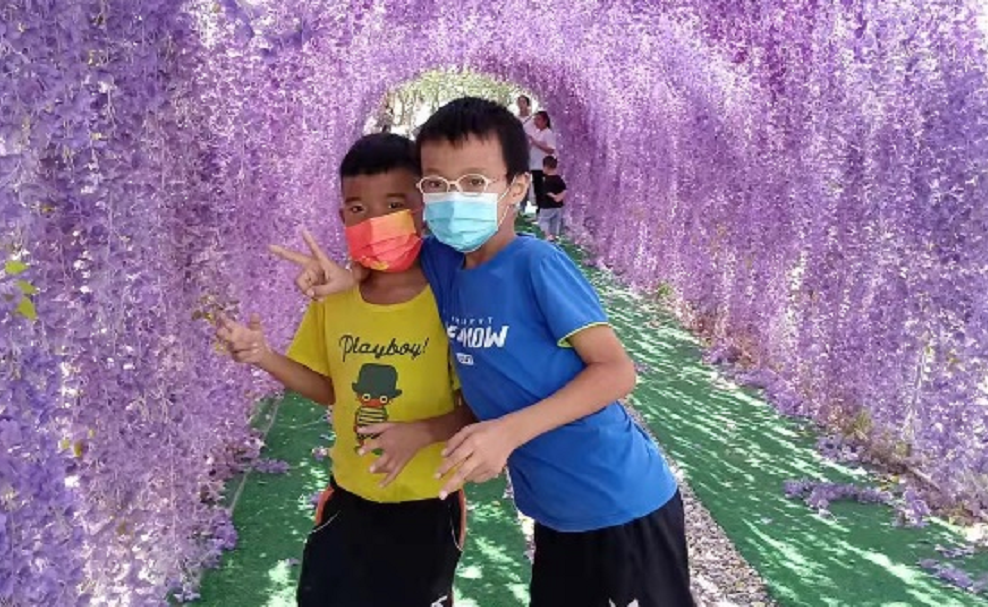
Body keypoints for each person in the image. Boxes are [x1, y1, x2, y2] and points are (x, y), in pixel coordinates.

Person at [290, 99, 695, 607]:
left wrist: (507, 432)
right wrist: (347, 275)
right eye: (437, 184)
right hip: (555, 513)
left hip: (619, 501)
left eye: (475, 182)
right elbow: (389, 259)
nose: (454, 198)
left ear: (517, 187)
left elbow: (616, 372)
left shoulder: (535, 263)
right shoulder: (445, 266)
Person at [220, 133, 473, 607]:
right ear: (342, 218)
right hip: (348, 497)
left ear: (423, 208)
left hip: (428, 502)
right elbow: (329, 389)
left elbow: (480, 407)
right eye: (358, 208)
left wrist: (421, 433)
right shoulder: (334, 297)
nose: (375, 221)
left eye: (394, 205)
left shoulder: (452, 296)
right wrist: (263, 355)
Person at [526, 110, 557, 213]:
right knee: (537, 190)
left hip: (543, 166)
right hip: (535, 165)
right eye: (535, 119)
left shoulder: (548, 133)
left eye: (538, 119)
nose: (536, 122)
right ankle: (539, 210)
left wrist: (536, 143)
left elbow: (551, 149)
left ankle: (545, 210)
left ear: (545, 121)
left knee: (543, 190)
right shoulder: (537, 132)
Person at [535, 155, 566, 241]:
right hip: (558, 206)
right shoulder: (559, 179)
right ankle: (554, 236)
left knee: (543, 220)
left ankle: (547, 235)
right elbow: (565, 189)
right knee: (555, 221)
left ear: (546, 167)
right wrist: (560, 196)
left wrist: (555, 197)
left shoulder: (547, 180)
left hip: (547, 206)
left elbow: (547, 191)